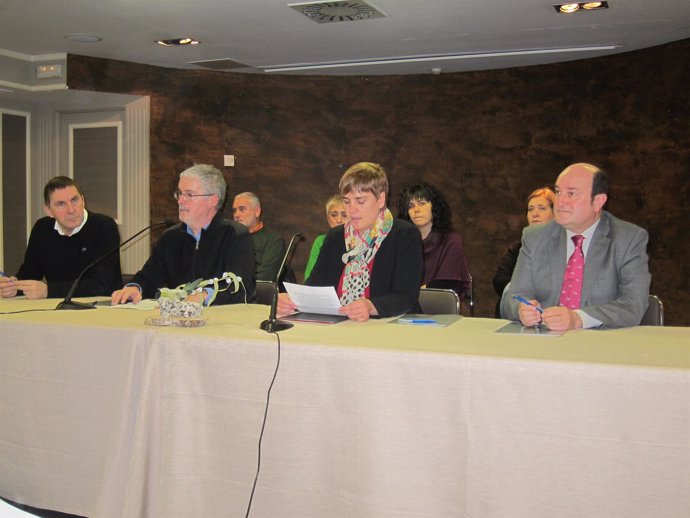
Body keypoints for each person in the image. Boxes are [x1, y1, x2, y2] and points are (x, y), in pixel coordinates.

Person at [501, 163, 650, 331]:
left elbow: (633, 305)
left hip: (603, 345)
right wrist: (521, 310)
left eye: (571, 194)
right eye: (558, 192)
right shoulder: (535, 237)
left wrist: (578, 318)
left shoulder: (628, 239)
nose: (560, 202)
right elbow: (514, 296)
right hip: (545, 344)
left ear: (598, 201)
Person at [278, 162, 423, 321]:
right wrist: (293, 300)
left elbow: (405, 297)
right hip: (340, 325)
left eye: (360, 201)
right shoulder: (335, 236)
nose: (352, 210)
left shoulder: (404, 234)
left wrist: (371, 306)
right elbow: (315, 285)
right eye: (347, 201)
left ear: (381, 199)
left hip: (388, 327)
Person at [111, 164, 255, 305]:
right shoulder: (171, 237)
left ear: (212, 200)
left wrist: (205, 295)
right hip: (177, 322)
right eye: (180, 193)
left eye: (189, 195)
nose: (180, 201)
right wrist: (135, 287)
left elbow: (241, 287)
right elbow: (150, 277)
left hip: (221, 323)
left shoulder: (235, 235)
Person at [0, 176, 121, 300]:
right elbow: (30, 273)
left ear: (83, 200)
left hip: (101, 307)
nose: (71, 210)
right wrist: (14, 285)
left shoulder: (103, 226)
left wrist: (48, 290)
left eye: (74, 200)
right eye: (61, 204)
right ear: (48, 211)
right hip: (55, 307)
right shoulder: (42, 228)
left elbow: (100, 285)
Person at [397, 182, 471, 300]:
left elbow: (447, 285)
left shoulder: (451, 240)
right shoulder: (401, 242)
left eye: (422, 203)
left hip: (439, 306)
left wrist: (414, 292)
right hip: (404, 306)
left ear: (434, 207)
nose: (416, 210)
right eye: (411, 206)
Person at [492, 187, 556, 316]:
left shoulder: (566, 247)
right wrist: (524, 292)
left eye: (542, 208)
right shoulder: (518, 247)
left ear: (556, 213)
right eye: (530, 209)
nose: (535, 213)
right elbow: (499, 280)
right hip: (522, 309)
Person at [232, 192, 287, 282]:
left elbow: (265, 277)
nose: (236, 215)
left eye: (242, 209)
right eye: (234, 211)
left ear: (257, 212)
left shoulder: (273, 240)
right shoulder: (228, 239)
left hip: (255, 293)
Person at [304, 194, 347, 280]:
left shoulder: (358, 241)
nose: (339, 220)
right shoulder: (320, 241)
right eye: (334, 215)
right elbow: (309, 278)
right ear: (328, 220)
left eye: (344, 215)